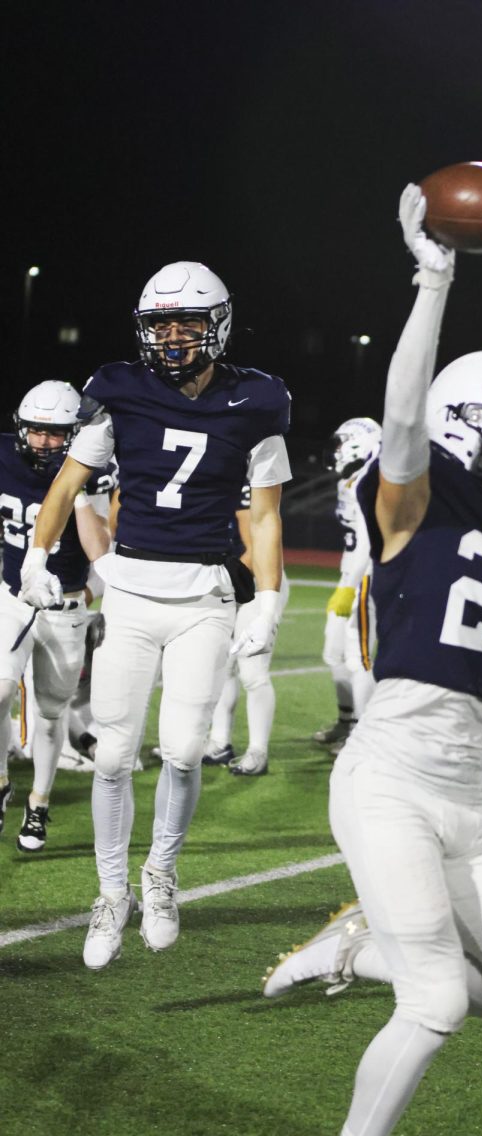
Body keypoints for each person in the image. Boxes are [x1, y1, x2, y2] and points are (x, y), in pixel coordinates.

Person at [262, 186, 482, 1136]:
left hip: (472, 809)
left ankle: (368, 942)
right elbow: (402, 417)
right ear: (462, 428)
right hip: (389, 780)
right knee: (438, 1001)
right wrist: (432, 276)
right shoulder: (414, 494)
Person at [20, 261, 291, 969]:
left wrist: (267, 596)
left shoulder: (258, 401)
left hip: (204, 596)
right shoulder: (115, 391)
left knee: (181, 747)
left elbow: (264, 517)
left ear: (218, 325)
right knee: (111, 753)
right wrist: (38, 554)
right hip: (133, 596)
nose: (172, 338)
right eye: (160, 325)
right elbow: (71, 483)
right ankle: (112, 893)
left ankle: (161, 875)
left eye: (187, 323)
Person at [0, 381, 113, 849]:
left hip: (66, 604)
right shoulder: (5, 457)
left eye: (55, 433)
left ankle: (38, 804)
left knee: (50, 714)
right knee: (1, 687)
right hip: (12, 596)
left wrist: (78, 489)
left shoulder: (97, 467)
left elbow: (102, 550)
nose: (43, 442)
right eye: (36, 432)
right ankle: (2, 785)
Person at [202, 484, 290, 776]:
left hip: (255, 581)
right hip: (225, 582)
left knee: (253, 673)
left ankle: (258, 751)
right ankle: (219, 742)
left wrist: (219, 585)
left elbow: (254, 548)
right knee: (222, 667)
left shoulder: (242, 481)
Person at [313, 417, 382, 752]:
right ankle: (347, 720)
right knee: (334, 652)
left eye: (342, 443)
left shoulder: (372, 481)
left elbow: (369, 541)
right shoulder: (351, 481)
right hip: (349, 575)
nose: (337, 451)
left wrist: (348, 587)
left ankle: (364, 734)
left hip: (367, 578)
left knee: (360, 658)